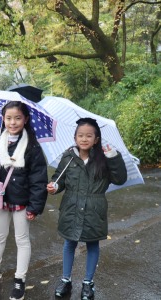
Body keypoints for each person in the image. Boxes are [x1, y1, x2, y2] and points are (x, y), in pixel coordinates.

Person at [0, 101, 48, 300]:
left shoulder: (32, 146)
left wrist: (35, 206)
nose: (12, 122)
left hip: (22, 199)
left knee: (21, 240)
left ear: (26, 119)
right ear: (3, 119)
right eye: (8, 118)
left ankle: (20, 279)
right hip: (1, 195)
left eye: (17, 118)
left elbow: (39, 178)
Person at [47, 118, 127, 300]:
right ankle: (65, 280)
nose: (84, 139)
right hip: (71, 207)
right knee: (69, 243)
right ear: (75, 137)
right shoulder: (68, 157)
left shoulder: (105, 159)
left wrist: (113, 157)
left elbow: (120, 179)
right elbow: (59, 179)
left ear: (96, 139)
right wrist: (54, 187)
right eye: (80, 135)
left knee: (92, 244)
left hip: (94, 209)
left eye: (89, 136)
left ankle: (88, 283)